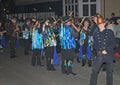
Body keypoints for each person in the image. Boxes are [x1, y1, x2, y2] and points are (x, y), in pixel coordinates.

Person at [89, 15, 116, 85]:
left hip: (109, 55)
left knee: (109, 73)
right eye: (99, 24)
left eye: (101, 24)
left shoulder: (110, 32)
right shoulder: (96, 34)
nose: (100, 25)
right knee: (94, 71)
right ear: (97, 25)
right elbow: (95, 45)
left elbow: (113, 43)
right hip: (100, 55)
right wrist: (100, 50)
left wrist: (106, 50)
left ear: (104, 24)